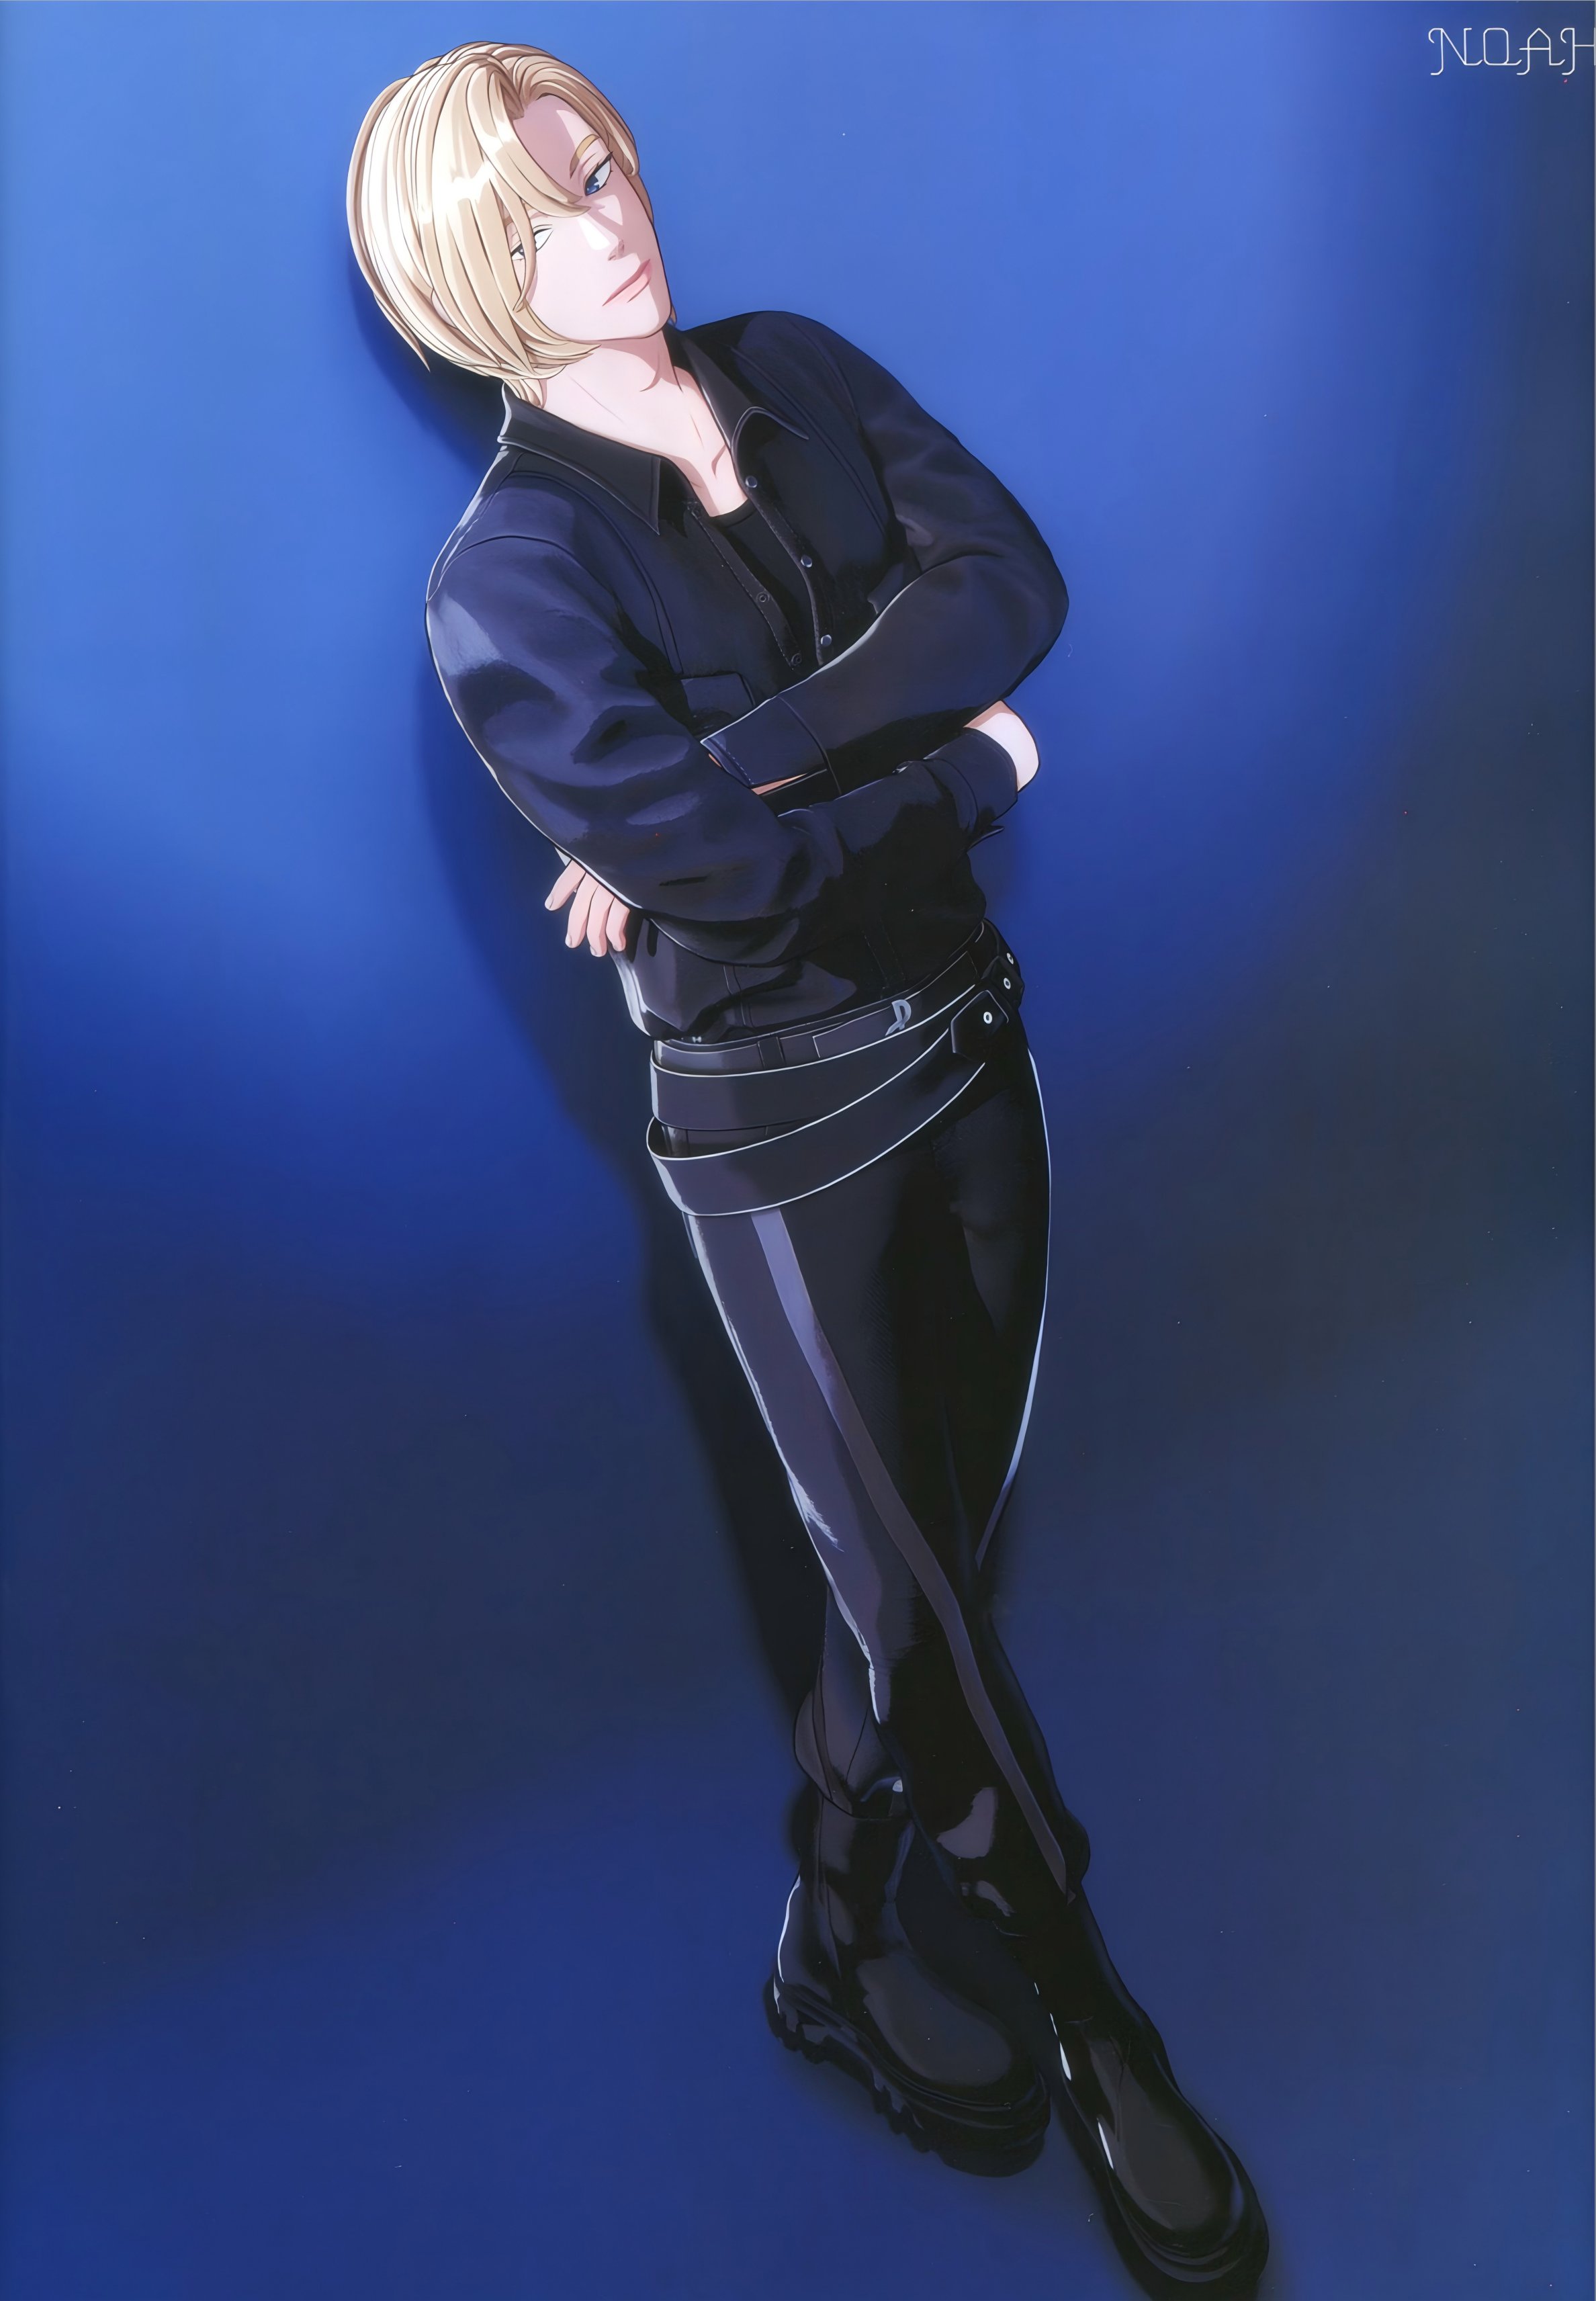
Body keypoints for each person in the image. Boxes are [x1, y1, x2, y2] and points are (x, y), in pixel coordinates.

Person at [348, 40, 1267, 2291]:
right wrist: (962, 772)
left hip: (973, 1047)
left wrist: (743, 758)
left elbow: (1007, 584)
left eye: (600, 166)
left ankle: (832, 1931)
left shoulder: (796, 368)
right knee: (926, 1609)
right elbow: (734, 889)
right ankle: (1099, 2020)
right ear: (464, 286)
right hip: (780, 1138)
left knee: (920, 1564)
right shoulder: (505, 582)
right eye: (540, 216)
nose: (607, 221)